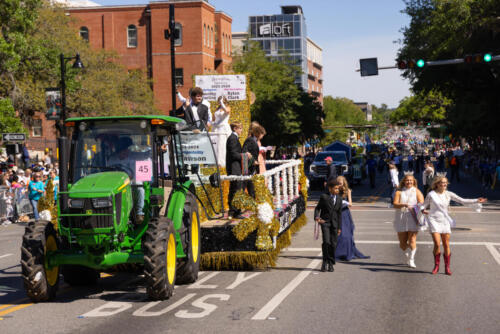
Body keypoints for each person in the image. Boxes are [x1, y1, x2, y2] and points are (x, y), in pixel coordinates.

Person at [423, 176, 486, 275]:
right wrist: (421, 210)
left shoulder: (449, 194)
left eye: (445, 183)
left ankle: (447, 267)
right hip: (434, 219)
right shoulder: (431, 194)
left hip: (445, 219)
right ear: (437, 184)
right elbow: (424, 204)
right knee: (436, 242)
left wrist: (476, 200)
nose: (444, 184)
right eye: (441, 183)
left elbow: (462, 200)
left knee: (446, 244)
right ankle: (436, 266)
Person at [108, 136, 151, 223]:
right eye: (124, 150)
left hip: (132, 182)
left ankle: (139, 213)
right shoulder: (112, 160)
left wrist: (158, 149)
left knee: (140, 188)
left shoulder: (135, 157)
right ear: (119, 150)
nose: (126, 152)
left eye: (128, 150)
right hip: (117, 184)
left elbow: (146, 157)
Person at [393, 174, 424, 268]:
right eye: (407, 180)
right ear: (404, 181)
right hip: (401, 217)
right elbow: (395, 204)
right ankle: (408, 255)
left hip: (413, 217)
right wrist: (404, 205)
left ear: (414, 181)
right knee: (402, 244)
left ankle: (411, 259)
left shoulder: (417, 191)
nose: (409, 182)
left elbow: (422, 203)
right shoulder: (399, 192)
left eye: (411, 180)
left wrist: (419, 208)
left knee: (412, 240)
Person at [335, 176, 370, 261]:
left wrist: (344, 201)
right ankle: (339, 253)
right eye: (338, 183)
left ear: (344, 183)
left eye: (341, 183)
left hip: (345, 213)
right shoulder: (334, 191)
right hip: (337, 213)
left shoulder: (347, 191)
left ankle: (348, 253)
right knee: (340, 234)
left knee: (348, 235)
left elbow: (350, 204)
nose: (339, 185)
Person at [314, 178, 343, 272]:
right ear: (330, 189)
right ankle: (324, 262)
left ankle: (330, 262)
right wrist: (317, 218)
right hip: (325, 223)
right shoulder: (324, 197)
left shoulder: (339, 198)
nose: (337, 190)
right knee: (326, 242)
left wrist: (339, 227)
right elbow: (317, 208)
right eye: (335, 188)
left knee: (333, 245)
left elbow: (339, 214)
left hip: (334, 225)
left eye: (338, 189)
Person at [226, 122, 251, 219]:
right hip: (234, 168)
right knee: (236, 189)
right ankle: (234, 211)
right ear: (235, 128)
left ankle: (234, 211)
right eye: (240, 128)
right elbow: (233, 154)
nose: (241, 130)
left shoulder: (234, 138)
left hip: (236, 167)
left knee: (235, 189)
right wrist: (245, 155)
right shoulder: (232, 138)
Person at [242, 122, 262, 198]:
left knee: (252, 188)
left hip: (252, 168)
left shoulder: (254, 140)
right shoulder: (249, 140)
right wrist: (252, 161)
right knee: (246, 186)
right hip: (248, 167)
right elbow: (244, 152)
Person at [211, 96, 232, 167]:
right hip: (217, 128)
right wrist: (212, 123)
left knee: (223, 145)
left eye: (221, 100)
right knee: (217, 145)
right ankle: (216, 162)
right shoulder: (217, 108)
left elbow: (226, 111)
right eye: (219, 100)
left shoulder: (228, 107)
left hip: (223, 128)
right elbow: (214, 119)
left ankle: (223, 163)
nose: (219, 102)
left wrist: (222, 103)